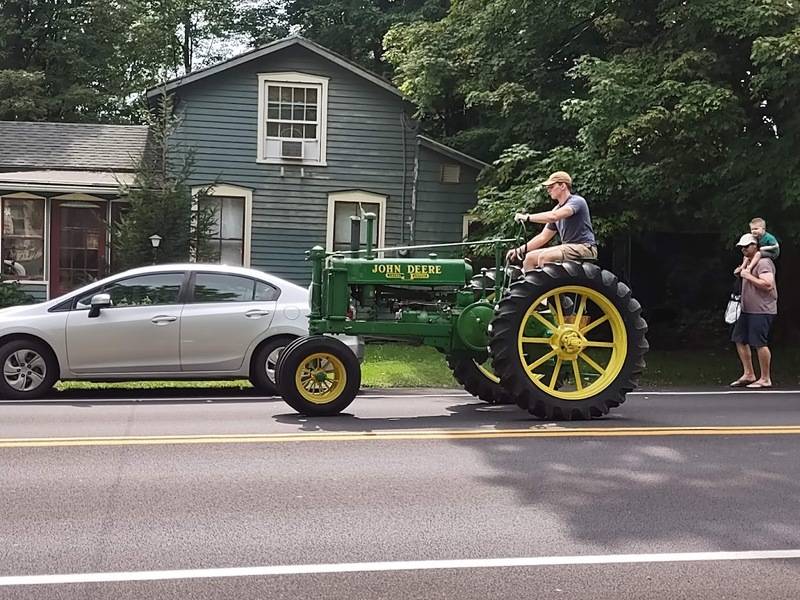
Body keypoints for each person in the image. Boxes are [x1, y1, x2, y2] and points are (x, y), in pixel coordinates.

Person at [505, 171, 597, 272]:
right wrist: (519, 250)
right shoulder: (556, 208)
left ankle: (546, 287)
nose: (548, 190)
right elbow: (543, 237)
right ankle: (532, 287)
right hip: (568, 248)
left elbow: (554, 216)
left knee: (545, 257)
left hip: (584, 247)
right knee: (529, 258)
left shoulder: (577, 201)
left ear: (563, 186)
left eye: (551, 186)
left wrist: (527, 217)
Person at [730, 233, 778, 389]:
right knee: (739, 339)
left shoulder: (764, 262)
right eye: (741, 247)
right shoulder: (747, 262)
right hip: (746, 309)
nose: (743, 249)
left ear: (755, 246)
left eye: (747, 246)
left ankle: (765, 378)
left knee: (759, 342)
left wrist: (748, 276)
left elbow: (768, 285)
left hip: (762, 309)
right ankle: (749, 373)